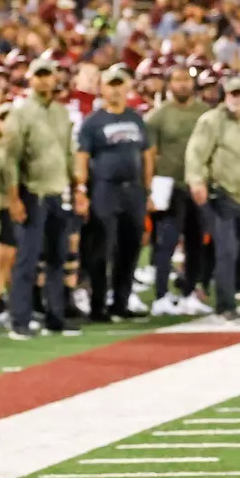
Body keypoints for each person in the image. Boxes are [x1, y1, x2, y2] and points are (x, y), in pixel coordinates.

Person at [0, 56, 81, 339]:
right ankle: (19, 321)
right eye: (40, 75)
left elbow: (70, 152)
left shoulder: (61, 112)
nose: (45, 80)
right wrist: (13, 197)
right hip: (32, 192)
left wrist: (78, 188)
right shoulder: (20, 113)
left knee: (59, 258)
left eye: (49, 75)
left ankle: (55, 318)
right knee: (28, 258)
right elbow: (10, 159)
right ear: (31, 79)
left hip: (59, 191)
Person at [185, 76, 240, 323]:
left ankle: (202, 291)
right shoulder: (211, 121)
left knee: (233, 248)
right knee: (227, 249)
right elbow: (196, 152)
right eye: (232, 94)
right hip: (218, 193)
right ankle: (224, 305)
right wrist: (196, 180)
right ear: (224, 96)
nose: (236, 98)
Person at [75, 65, 151, 322]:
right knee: (101, 248)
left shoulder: (136, 118)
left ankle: (121, 301)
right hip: (105, 189)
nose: (116, 90)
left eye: (120, 85)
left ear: (127, 88)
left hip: (133, 190)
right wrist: (81, 189)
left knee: (130, 246)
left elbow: (147, 153)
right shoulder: (93, 122)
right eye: (111, 85)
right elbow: (82, 157)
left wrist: (147, 187)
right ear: (102, 88)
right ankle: (98, 305)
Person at [144, 65, 213, 315]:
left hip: (196, 183)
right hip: (168, 183)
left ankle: (189, 293)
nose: (182, 84)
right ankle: (161, 296)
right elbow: (149, 154)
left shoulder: (206, 113)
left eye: (186, 79)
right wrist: (149, 187)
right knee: (166, 242)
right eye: (177, 80)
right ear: (168, 84)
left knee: (197, 241)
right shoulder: (158, 116)